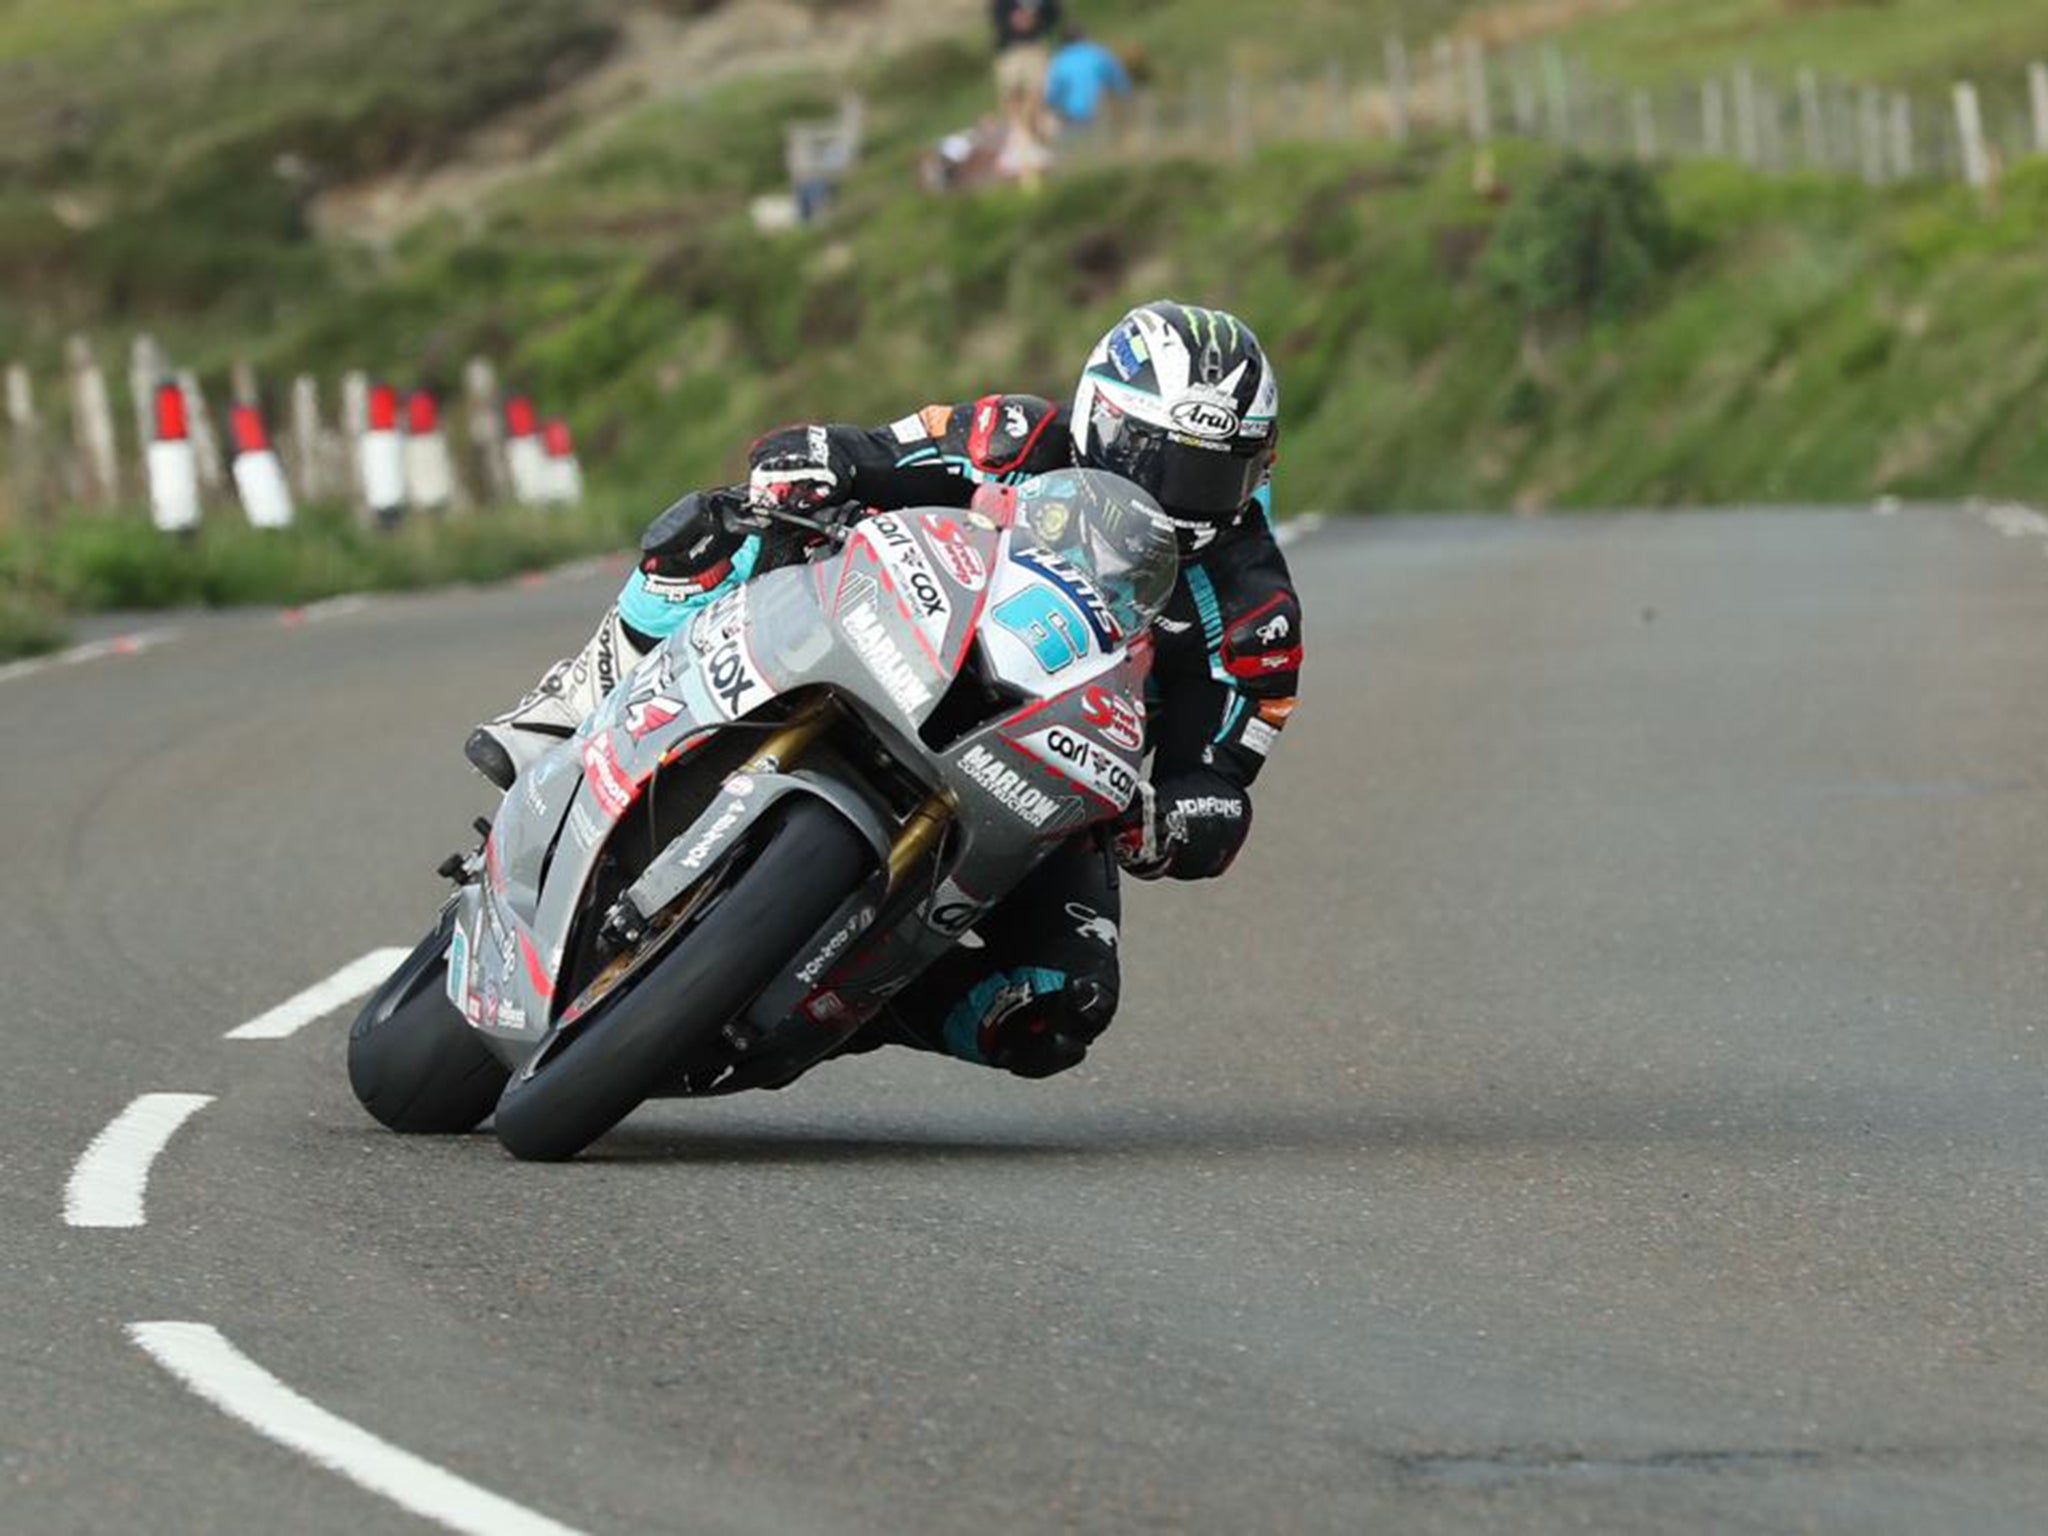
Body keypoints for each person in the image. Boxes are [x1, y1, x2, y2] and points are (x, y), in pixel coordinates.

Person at [466, 301, 1303, 1081]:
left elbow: (1218, 781)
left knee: (1057, 1005)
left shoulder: (1256, 611)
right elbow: (871, 453)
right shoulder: (1015, 432)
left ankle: (841, 1000)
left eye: (1212, 475)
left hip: (1041, 776)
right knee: (715, 526)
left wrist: (1175, 822)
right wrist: (812, 463)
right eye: (1158, 460)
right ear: (1101, 419)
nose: (1179, 495)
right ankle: (575, 702)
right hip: (894, 638)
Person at [992, 0, 1062, 147]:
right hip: (1010, 50)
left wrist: (1036, 19)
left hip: (1034, 47)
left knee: (1035, 96)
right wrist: (1012, 21)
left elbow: (1054, 13)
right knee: (1012, 97)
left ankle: (1027, 140)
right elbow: (997, 15)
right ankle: (1022, 139)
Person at [1044, 27, 1132, 132]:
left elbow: (1052, 95)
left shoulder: (1059, 61)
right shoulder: (1099, 54)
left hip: (1070, 117)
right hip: (1099, 114)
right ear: (1085, 37)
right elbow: (1120, 83)